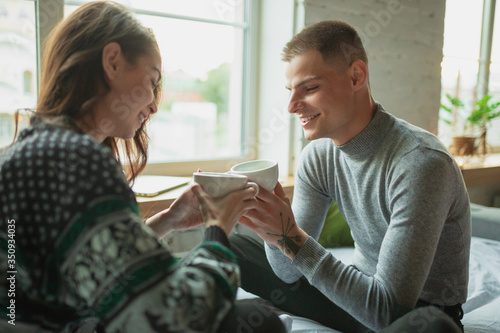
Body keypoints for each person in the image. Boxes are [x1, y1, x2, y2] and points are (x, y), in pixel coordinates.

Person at [0, 2, 285, 332]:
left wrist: (169, 221)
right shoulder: (74, 160)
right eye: (152, 81)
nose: (153, 105)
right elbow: (174, 318)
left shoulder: (28, 152)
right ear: (112, 61)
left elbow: (95, 268)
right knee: (261, 321)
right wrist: (218, 229)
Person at [230, 20, 470, 332]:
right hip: (356, 297)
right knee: (236, 246)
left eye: (310, 88)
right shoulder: (317, 157)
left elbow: (388, 310)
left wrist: (290, 235)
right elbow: (287, 274)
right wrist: (273, 231)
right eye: (290, 91)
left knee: (432, 326)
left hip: (408, 313)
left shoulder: (421, 163)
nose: (291, 107)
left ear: (356, 76)